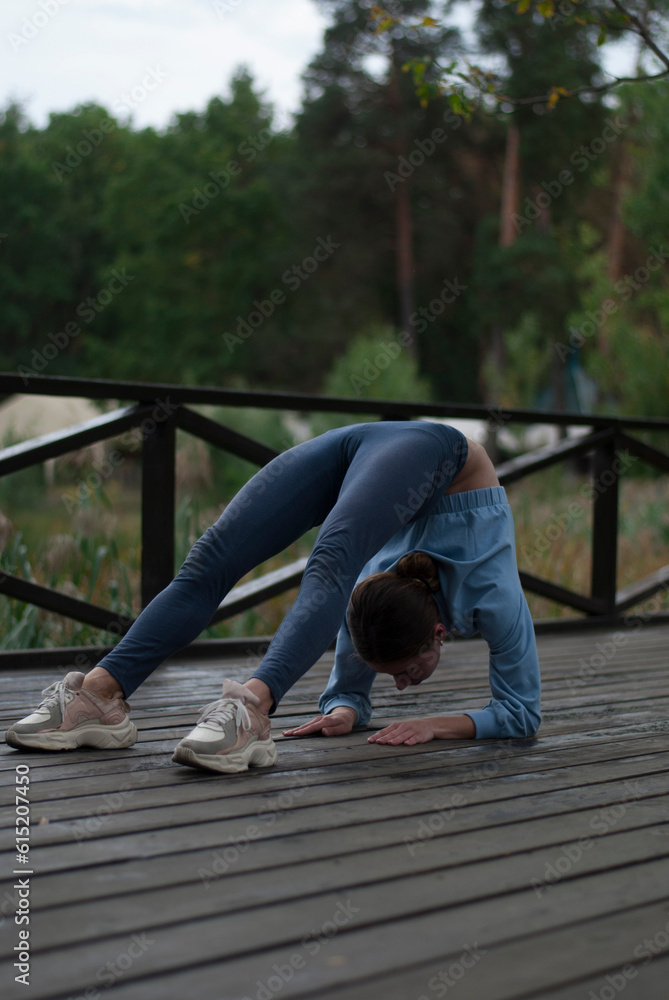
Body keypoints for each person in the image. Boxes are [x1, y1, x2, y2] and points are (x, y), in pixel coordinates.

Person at [4, 420, 541, 772]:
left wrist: (352, 708)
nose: (402, 686)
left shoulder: (380, 596)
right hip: (431, 454)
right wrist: (355, 698)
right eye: (404, 672)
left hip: (383, 465)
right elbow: (519, 711)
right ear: (439, 633)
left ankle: (216, 703)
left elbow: (520, 713)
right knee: (217, 557)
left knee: (337, 560)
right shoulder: (494, 600)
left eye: (393, 677)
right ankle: (108, 697)